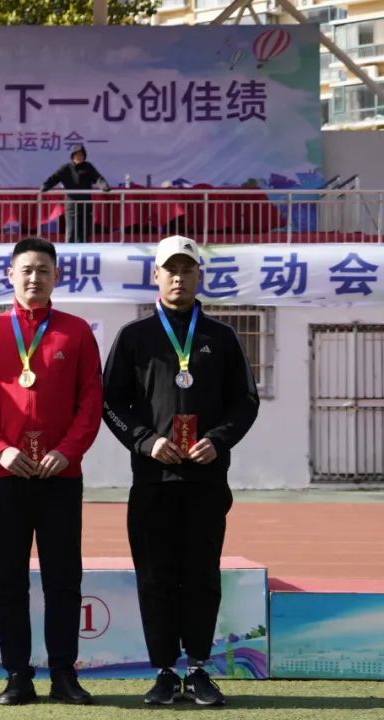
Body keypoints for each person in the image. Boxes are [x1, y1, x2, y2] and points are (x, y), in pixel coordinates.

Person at [102, 235, 259, 707]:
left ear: (198, 276)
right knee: (155, 577)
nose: (178, 277)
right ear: (156, 275)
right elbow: (111, 403)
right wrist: (146, 441)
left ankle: (199, 668)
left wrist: (219, 439)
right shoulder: (134, 337)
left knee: (202, 576)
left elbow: (245, 402)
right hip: (153, 481)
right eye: (170, 269)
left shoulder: (222, 337)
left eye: (187, 269)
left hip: (206, 481)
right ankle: (165, 670)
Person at [0, 237, 103, 706]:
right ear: (10, 275)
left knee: (63, 577)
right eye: (26, 270)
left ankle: (63, 674)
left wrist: (68, 451)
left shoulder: (76, 332)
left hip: (59, 475)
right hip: (4, 475)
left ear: (56, 276)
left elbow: (91, 401)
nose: (34, 278)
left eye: (43, 270)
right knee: (8, 579)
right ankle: (17, 675)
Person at [39, 144, 110, 244]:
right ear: (72, 156)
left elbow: (98, 178)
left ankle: (85, 252)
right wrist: (44, 187)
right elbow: (54, 178)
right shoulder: (65, 168)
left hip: (86, 206)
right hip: (71, 206)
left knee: (85, 235)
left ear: (84, 156)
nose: (79, 157)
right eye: (76, 155)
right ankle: (70, 252)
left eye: (81, 155)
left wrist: (104, 186)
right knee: (71, 234)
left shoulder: (88, 167)